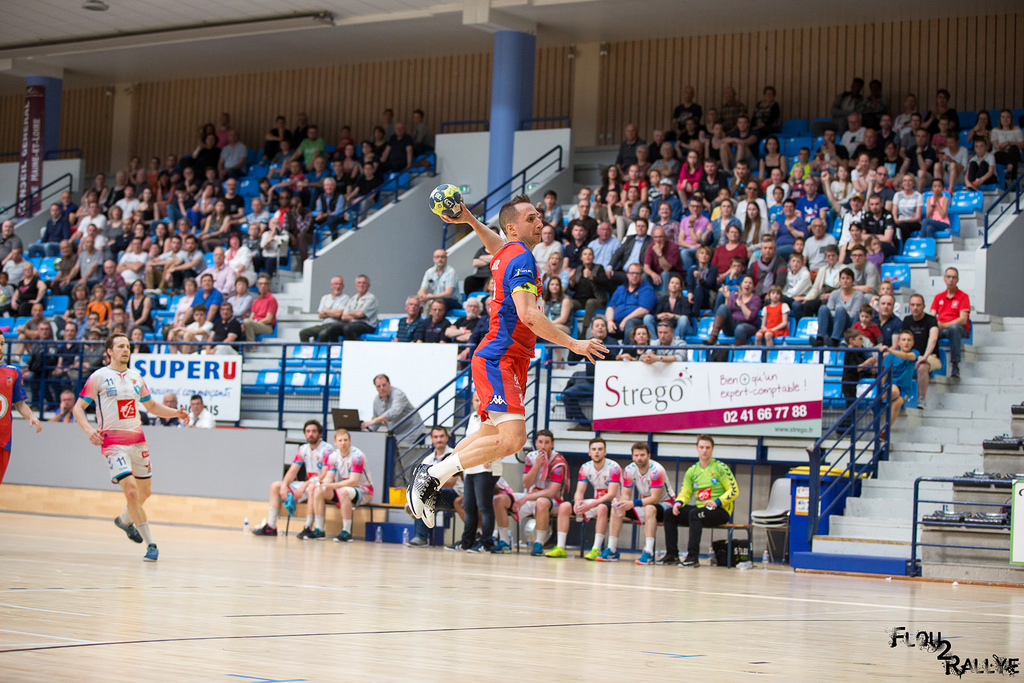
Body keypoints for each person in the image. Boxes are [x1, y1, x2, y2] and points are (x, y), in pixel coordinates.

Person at [406, 195, 606, 527]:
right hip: (501, 357)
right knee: (512, 440)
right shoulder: (522, 258)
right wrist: (574, 343)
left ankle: (431, 474)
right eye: (532, 218)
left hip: (506, 358)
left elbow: (497, 242)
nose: (540, 222)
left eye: (540, 217)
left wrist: (470, 219)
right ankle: (432, 477)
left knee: (487, 435)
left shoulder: (509, 253)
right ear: (513, 226)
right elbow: (528, 315)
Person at [71, 334, 189, 561]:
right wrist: (88, 430)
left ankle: (124, 520)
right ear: (109, 351)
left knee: (145, 493)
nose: (126, 350)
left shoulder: (136, 376)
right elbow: (78, 408)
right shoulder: (99, 377)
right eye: (120, 346)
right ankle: (151, 545)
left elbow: (152, 406)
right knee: (132, 491)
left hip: (137, 441)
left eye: (128, 346)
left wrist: (175, 413)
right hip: (113, 443)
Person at [663, 435, 739, 566]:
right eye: (702, 447)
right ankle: (672, 555)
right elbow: (685, 491)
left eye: (707, 448)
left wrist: (717, 502)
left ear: (712, 449)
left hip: (719, 510)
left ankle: (692, 557)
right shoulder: (692, 471)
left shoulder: (721, 468)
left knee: (695, 514)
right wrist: (679, 502)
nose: (704, 451)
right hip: (700, 510)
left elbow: (733, 490)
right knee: (670, 514)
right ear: (697, 448)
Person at [251, 419, 335, 538]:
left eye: (314, 431)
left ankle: (308, 527)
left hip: (323, 486)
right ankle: (271, 526)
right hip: (309, 484)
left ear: (320, 434)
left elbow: (325, 475)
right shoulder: (303, 449)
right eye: (308, 431)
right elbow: (293, 470)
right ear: (305, 434)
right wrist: (285, 485)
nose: (311, 434)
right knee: (276, 486)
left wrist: (304, 485)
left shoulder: (327, 449)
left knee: (312, 487)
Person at [491, 429, 568, 556]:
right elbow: (526, 484)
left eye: (547, 443)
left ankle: (539, 543)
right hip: (532, 495)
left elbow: (551, 491)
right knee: (498, 500)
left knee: (541, 502)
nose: (543, 446)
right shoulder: (531, 457)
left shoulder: (558, 461)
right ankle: (504, 541)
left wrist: (526, 498)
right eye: (540, 442)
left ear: (552, 444)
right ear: (536, 443)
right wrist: (537, 465)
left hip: (552, 501)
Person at [546, 436, 621, 560]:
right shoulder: (585, 467)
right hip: (596, 500)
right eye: (594, 449)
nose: (597, 452)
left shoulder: (614, 467)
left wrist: (590, 505)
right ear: (589, 452)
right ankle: (560, 547)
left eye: (600, 449)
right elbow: (579, 491)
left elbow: (612, 494)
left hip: (613, 502)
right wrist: (578, 501)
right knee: (564, 506)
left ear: (605, 452)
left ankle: (596, 548)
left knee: (602, 508)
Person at [603, 442, 674, 565]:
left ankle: (648, 552)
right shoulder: (629, 470)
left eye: (642, 455)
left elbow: (655, 499)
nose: (639, 458)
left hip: (666, 505)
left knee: (650, 509)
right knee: (616, 508)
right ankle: (611, 550)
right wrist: (621, 501)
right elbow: (626, 494)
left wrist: (633, 503)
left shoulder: (657, 470)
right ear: (632, 456)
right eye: (636, 455)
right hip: (645, 504)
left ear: (649, 456)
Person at [405, 426, 462, 547]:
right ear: (431, 439)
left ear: (447, 438)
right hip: (436, 493)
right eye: (436, 437)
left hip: (454, 493)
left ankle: (420, 537)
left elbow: (451, 482)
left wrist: (429, 484)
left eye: (441, 436)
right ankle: (420, 536)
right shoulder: (428, 459)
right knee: (422, 495)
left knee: (423, 495)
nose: (439, 439)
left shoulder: (453, 454)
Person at [312, 428, 372, 542]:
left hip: (364, 490)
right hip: (344, 488)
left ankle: (346, 531)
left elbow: (353, 481)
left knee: (343, 491)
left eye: (345, 440)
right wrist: (323, 484)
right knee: (318, 490)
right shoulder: (334, 456)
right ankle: (319, 529)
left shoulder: (357, 456)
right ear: (335, 442)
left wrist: (333, 486)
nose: (343, 443)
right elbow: (329, 477)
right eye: (340, 440)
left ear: (350, 441)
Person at [0, 335, 43, 485]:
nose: (0, 348)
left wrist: (31, 416)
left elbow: (20, 404)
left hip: (3, 438)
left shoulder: (13, 372)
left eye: (2, 344)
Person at [859, 330, 918, 425]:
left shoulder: (915, 353)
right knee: (894, 391)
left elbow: (907, 356)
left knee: (897, 403)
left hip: (905, 390)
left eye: (909, 340)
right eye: (903, 340)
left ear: (913, 343)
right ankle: (878, 400)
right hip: (891, 385)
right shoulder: (891, 356)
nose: (906, 342)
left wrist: (890, 350)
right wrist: (880, 389)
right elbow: (885, 374)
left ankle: (884, 431)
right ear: (899, 342)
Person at [929, 267, 970, 379]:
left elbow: (963, 319)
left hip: (959, 329)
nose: (951, 280)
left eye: (954, 277)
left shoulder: (963, 296)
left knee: (954, 329)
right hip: (942, 329)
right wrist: (936, 325)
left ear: (957, 280)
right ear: (944, 279)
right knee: (931, 330)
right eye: (948, 277)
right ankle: (932, 363)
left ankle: (955, 365)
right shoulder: (938, 297)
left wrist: (944, 325)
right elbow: (932, 317)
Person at [902, 293, 941, 406]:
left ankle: (921, 399)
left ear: (924, 306)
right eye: (913, 305)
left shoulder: (931, 320)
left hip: (930, 356)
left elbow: (933, 339)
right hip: (912, 355)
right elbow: (903, 339)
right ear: (909, 306)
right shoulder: (907, 320)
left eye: (918, 305)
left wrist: (924, 357)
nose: (915, 307)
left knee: (923, 366)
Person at [815, 268, 864, 346]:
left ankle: (835, 339)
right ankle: (820, 338)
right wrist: (842, 313)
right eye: (843, 278)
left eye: (848, 278)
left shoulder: (858, 295)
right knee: (823, 308)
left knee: (841, 310)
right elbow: (829, 310)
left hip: (848, 327)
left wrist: (841, 312)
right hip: (834, 324)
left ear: (852, 281)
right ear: (840, 280)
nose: (845, 281)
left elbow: (853, 315)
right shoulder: (834, 293)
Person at [299, 276, 349, 342]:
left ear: (343, 286)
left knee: (323, 334)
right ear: (331, 285)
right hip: (324, 325)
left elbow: (339, 314)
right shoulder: (325, 298)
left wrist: (326, 311)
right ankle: (306, 351)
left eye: (340, 284)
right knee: (303, 333)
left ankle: (323, 352)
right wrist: (333, 313)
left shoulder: (346, 298)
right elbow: (320, 315)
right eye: (336, 284)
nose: (338, 286)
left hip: (337, 326)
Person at [417, 248, 459, 313]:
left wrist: (431, 297)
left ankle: (436, 321)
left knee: (440, 303)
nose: (440, 259)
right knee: (414, 301)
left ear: (446, 259)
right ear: (433, 259)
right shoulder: (429, 272)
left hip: (451, 301)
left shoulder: (451, 272)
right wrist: (423, 296)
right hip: (436, 299)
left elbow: (448, 294)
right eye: (437, 257)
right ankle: (421, 321)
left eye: (442, 257)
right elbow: (421, 290)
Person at [242, 274, 277, 341]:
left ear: (269, 285)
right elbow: (252, 316)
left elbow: (268, 319)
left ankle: (252, 347)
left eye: (265, 284)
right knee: (239, 326)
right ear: (257, 285)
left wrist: (255, 322)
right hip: (256, 324)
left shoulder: (271, 299)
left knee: (247, 322)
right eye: (260, 284)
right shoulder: (256, 301)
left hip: (266, 326)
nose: (263, 286)